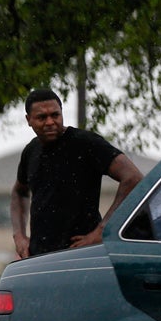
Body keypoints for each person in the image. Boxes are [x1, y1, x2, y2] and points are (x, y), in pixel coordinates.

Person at [11, 88, 143, 258]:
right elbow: (19, 192)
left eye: (55, 115)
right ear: (29, 120)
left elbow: (133, 178)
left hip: (80, 255)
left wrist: (103, 229)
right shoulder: (31, 151)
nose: (50, 122)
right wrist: (19, 236)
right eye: (42, 117)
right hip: (40, 257)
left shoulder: (85, 143)